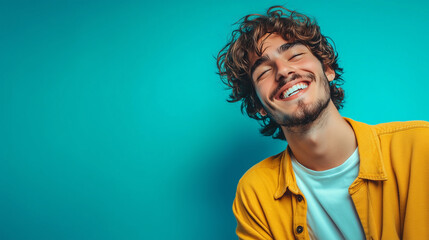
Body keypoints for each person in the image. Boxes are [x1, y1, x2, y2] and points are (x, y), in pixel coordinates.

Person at [216, 6, 429, 240]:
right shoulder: (256, 193)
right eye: (264, 71)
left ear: (327, 69)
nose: (283, 71)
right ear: (258, 104)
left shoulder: (420, 147)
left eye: (295, 55)